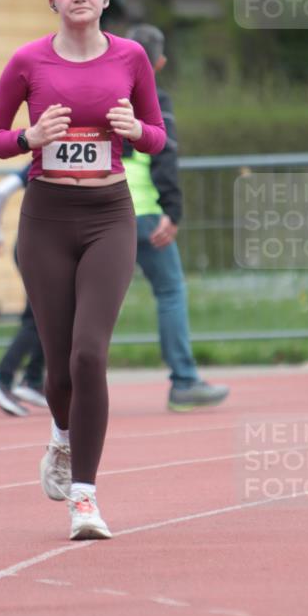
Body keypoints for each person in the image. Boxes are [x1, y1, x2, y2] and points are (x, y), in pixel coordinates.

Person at [0, 0, 166, 540]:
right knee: (57, 365)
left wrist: (138, 133)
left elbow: (158, 136)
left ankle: (84, 497)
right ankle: (60, 436)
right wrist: (28, 137)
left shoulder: (131, 58)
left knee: (90, 355)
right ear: (53, 1)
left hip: (109, 214)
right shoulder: (27, 60)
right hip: (47, 218)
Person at [123, 24, 230, 411]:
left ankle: (65, 385)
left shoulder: (98, 94)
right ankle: (184, 382)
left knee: (88, 303)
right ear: (160, 62)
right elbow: (164, 157)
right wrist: (174, 211)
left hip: (100, 212)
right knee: (169, 292)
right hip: (145, 213)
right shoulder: (156, 99)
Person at [0, 162, 48, 417]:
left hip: (32, 245)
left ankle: (32, 380)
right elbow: (1, 190)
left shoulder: (46, 156)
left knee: (51, 315)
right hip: (43, 248)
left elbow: (2, 190)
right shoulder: (51, 157)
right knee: (39, 317)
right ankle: (2, 378)